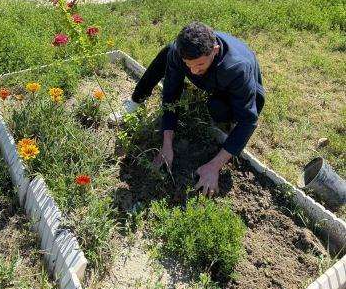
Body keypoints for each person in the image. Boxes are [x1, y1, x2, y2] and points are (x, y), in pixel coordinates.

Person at [112, 21, 265, 197]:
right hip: (211, 73)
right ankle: (135, 101)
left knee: (218, 109)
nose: (192, 71)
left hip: (242, 90)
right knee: (167, 52)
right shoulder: (180, 53)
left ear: (214, 50)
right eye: (188, 64)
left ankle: (225, 119)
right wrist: (166, 143)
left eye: (199, 65)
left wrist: (214, 166)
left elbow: (249, 120)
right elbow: (170, 94)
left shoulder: (236, 68)